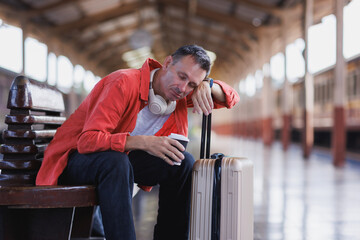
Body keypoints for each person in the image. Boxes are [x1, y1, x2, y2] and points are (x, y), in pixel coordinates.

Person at [36, 45, 240, 240]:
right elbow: (87, 141)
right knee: (116, 162)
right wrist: (142, 142)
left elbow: (232, 97)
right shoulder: (122, 83)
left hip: (119, 160)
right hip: (73, 160)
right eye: (182, 76)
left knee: (182, 162)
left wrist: (208, 85)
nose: (183, 88)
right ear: (167, 63)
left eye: (192, 85)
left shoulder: (179, 94)